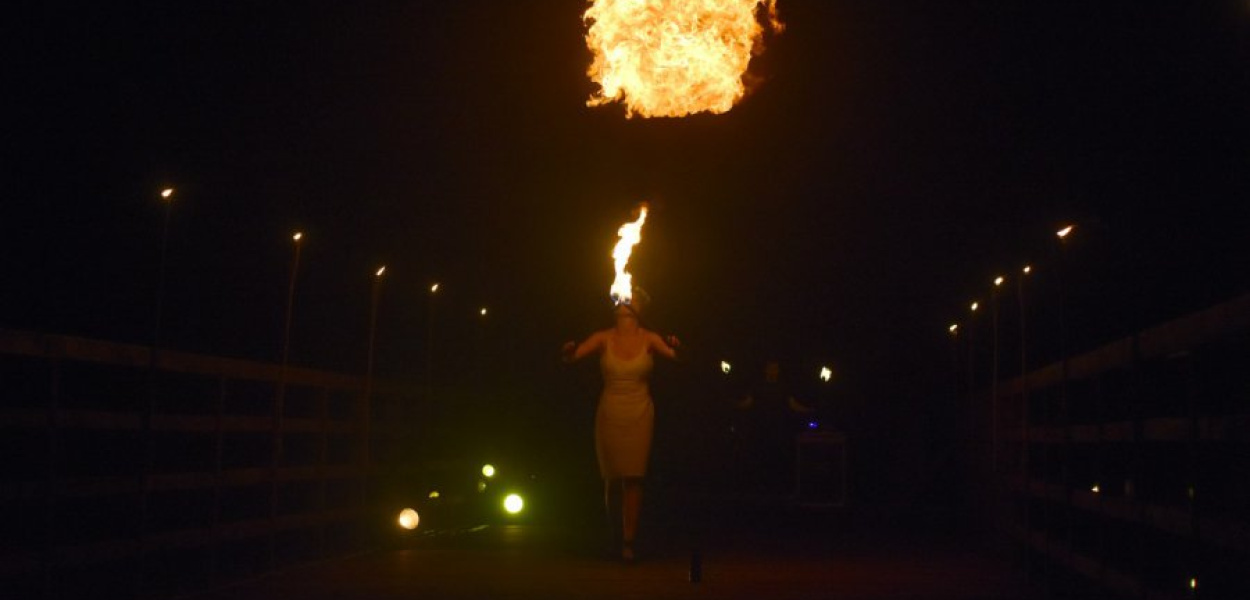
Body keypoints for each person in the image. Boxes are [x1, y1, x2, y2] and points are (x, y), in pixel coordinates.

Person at [562, 288, 679, 562]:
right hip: (610, 411)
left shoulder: (650, 338)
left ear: (640, 308)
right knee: (612, 478)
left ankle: (629, 541)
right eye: (622, 297)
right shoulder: (603, 337)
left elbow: (680, 358)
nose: (624, 301)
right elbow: (573, 356)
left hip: (639, 411)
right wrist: (568, 352)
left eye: (632, 298)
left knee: (634, 478)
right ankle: (613, 537)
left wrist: (679, 345)